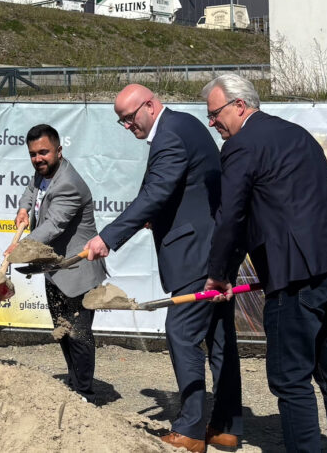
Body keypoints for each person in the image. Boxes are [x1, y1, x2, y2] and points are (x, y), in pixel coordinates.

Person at [202, 74, 327, 452]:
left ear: (239, 106)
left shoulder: (241, 146)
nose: (213, 123)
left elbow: (232, 217)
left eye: (215, 114)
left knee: (290, 378)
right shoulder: (297, 134)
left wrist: (218, 275)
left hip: (298, 277)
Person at [84, 84, 242, 453]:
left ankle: (189, 429)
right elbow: (175, 190)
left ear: (150, 106)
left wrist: (108, 237)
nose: (126, 126)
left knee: (182, 332)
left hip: (196, 252)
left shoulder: (169, 134)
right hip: (211, 245)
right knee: (219, 336)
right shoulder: (182, 125)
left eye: (128, 118)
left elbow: (156, 191)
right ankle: (225, 427)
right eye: (120, 121)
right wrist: (154, 216)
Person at [11, 124, 105, 402]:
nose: (38, 159)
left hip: (77, 272)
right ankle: (76, 388)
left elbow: (53, 226)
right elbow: (31, 189)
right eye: (33, 154)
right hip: (55, 271)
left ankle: (85, 394)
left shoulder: (68, 184)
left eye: (44, 153)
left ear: (59, 151)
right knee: (63, 332)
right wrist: (23, 209)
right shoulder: (44, 173)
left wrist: (20, 247)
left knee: (79, 336)